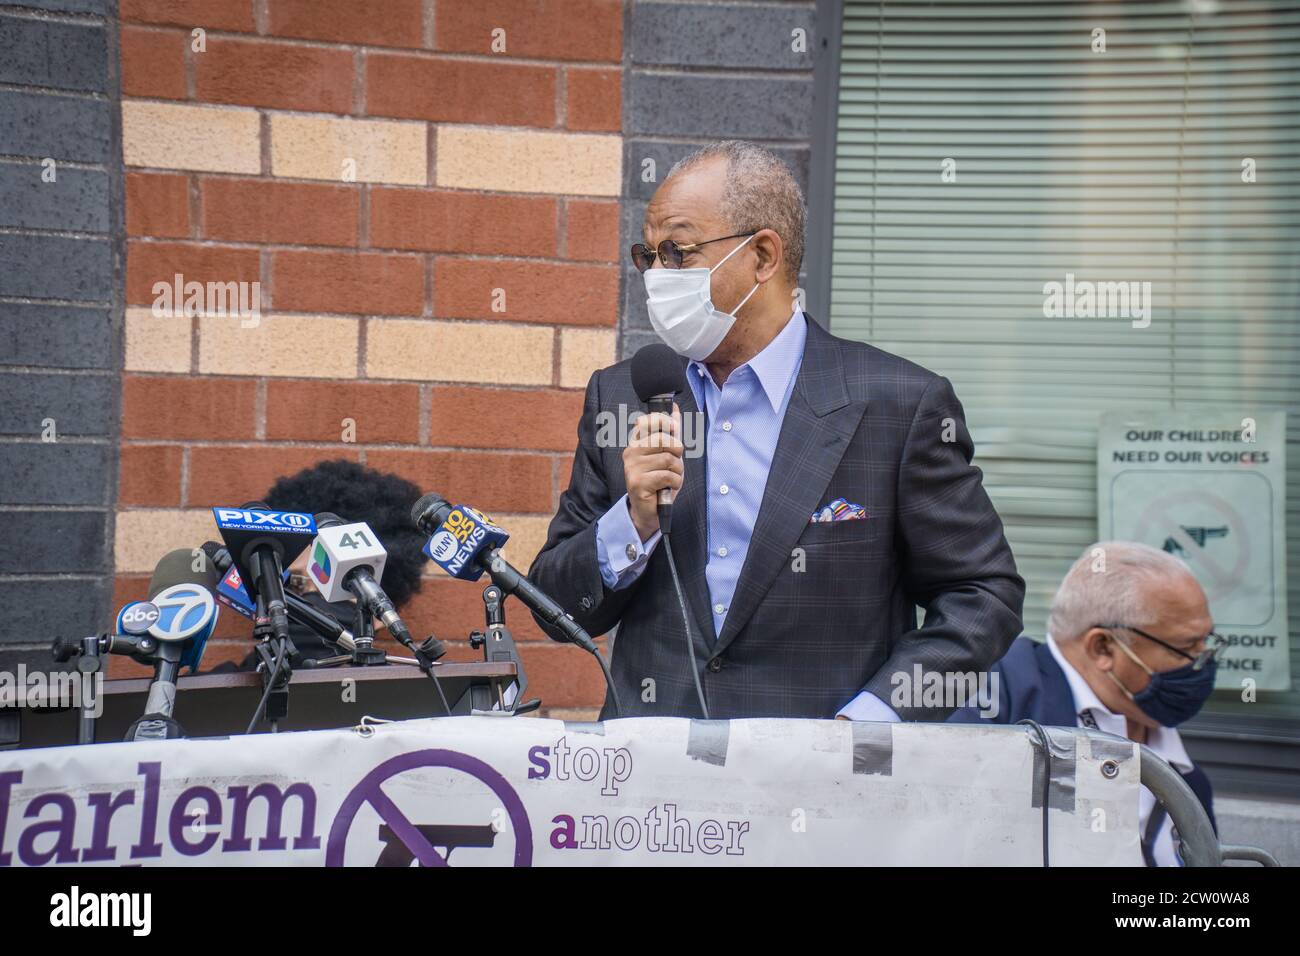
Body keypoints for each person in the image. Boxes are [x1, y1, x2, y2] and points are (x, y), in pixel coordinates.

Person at [528, 140, 1024, 720]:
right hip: (653, 786)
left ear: (763, 256)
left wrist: (871, 720)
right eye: (649, 255)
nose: (658, 276)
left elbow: (982, 596)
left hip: (823, 780)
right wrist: (633, 521)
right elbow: (555, 606)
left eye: (677, 252)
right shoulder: (625, 397)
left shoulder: (898, 404)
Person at [950, 541, 1223, 866]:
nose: (1203, 662)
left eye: (1208, 643)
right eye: (1187, 647)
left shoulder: (1189, 778)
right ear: (1103, 648)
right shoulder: (989, 702)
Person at [213, 460, 428, 669]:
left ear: (378, 613)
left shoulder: (410, 699)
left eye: (334, 585)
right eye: (295, 585)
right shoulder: (205, 695)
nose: (312, 600)